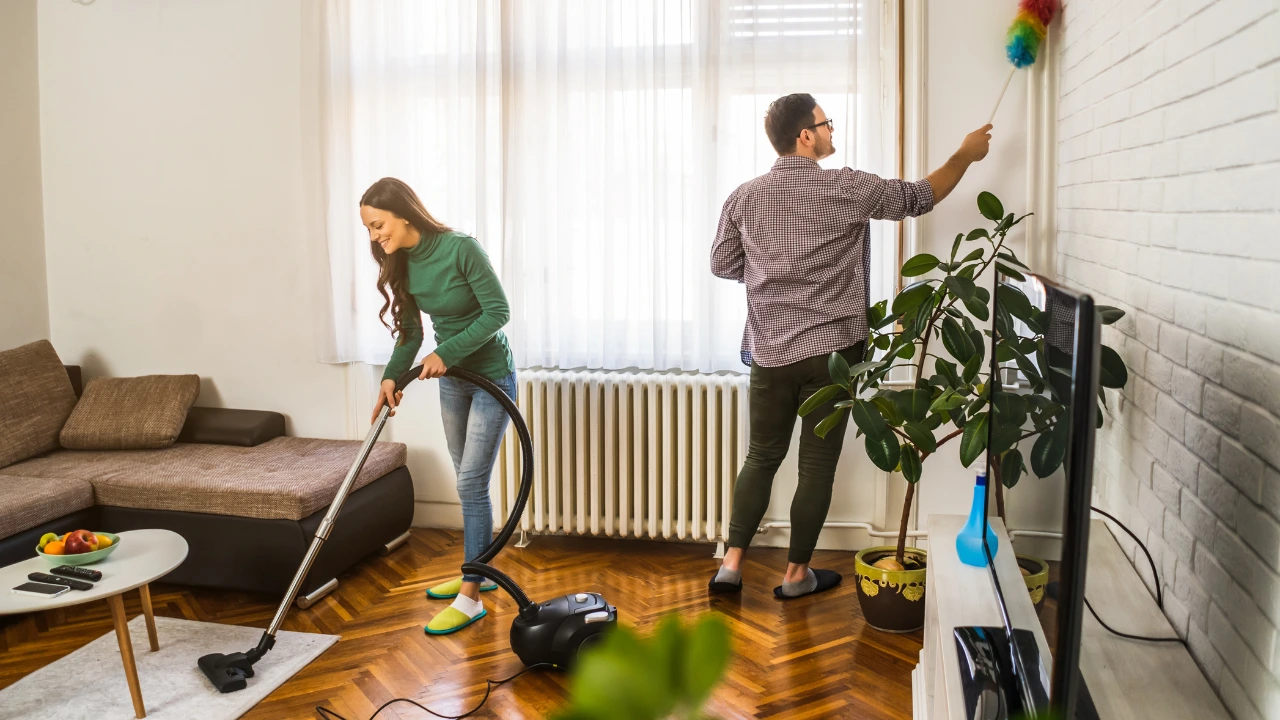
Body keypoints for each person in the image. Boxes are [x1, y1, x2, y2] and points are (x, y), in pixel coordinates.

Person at [708, 93, 991, 599]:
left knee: (761, 456)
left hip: (771, 354)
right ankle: (795, 576)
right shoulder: (846, 187)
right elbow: (920, 196)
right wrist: (964, 156)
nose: (832, 132)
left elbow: (723, 265)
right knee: (814, 465)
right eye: (826, 124)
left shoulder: (744, 197)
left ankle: (731, 565)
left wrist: (774, 274)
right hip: (833, 356)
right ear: (805, 136)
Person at [361, 177, 517, 634]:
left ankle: (471, 596)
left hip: (490, 376)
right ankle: (479, 571)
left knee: (470, 482)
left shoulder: (460, 248)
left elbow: (498, 312)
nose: (375, 236)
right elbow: (410, 332)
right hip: (453, 382)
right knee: (468, 482)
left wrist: (445, 353)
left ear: (404, 214)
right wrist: (392, 375)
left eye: (378, 224)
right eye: (369, 229)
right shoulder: (401, 263)